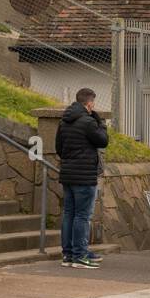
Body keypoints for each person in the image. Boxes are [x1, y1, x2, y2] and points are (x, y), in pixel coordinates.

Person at [56, 87, 109, 269]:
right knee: (82, 216)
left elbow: (58, 148)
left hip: (68, 175)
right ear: (89, 103)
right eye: (93, 103)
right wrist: (100, 122)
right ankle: (80, 255)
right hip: (85, 176)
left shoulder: (64, 121)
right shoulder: (88, 122)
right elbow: (103, 141)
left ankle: (68, 254)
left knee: (69, 214)